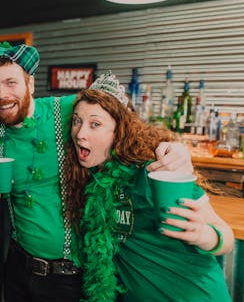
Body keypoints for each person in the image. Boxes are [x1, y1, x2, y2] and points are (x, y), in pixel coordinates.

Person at [0, 42, 195, 302]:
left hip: (68, 277)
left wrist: (174, 147)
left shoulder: (70, 109)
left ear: (30, 84)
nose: (2, 94)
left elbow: (125, 124)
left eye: (11, 82)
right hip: (17, 267)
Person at [66, 71, 233, 302]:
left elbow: (226, 235)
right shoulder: (89, 177)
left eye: (95, 124)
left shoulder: (154, 171)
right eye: (77, 121)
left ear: (119, 132)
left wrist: (205, 235)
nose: (80, 133)